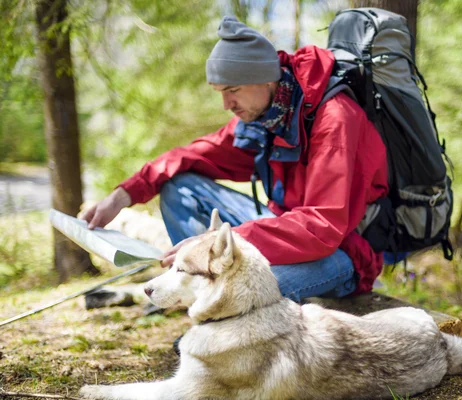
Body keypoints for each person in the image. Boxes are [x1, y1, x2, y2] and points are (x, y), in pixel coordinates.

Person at [82, 16, 390, 303]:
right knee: (180, 187)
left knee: (240, 290)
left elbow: (321, 227)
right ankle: (205, 287)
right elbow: (193, 154)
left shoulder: (334, 119)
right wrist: (124, 194)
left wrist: (220, 240)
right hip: (286, 231)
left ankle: (214, 308)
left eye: (233, 90)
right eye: (219, 91)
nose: (227, 104)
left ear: (267, 79)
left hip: (341, 250)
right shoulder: (266, 117)